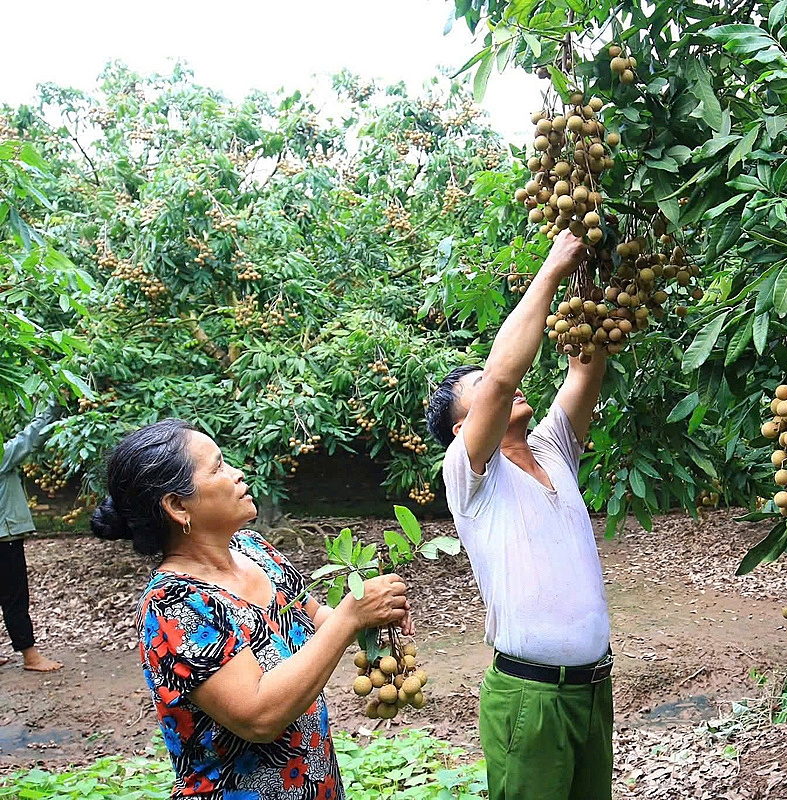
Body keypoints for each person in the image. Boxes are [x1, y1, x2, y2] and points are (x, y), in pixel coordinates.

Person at [92, 419, 414, 799]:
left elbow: (311, 620)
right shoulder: (173, 605)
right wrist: (351, 616)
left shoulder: (253, 549)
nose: (238, 473)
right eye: (218, 467)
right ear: (178, 506)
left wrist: (374, 620)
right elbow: (258, 716)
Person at [426, 231, 613, 800]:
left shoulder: (553, 450)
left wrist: (595, 273)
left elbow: (586, 367)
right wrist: (552, 268)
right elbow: (504, 377)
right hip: (529, 701)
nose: (500, 389)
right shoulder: (469, 477)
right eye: (479, 391)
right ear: (465, 429)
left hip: (593, 691)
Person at [0, 403, 63, 672]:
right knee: (14, 595)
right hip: (4, 537)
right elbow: (29, 439)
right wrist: (53, 407)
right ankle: (30, 655)